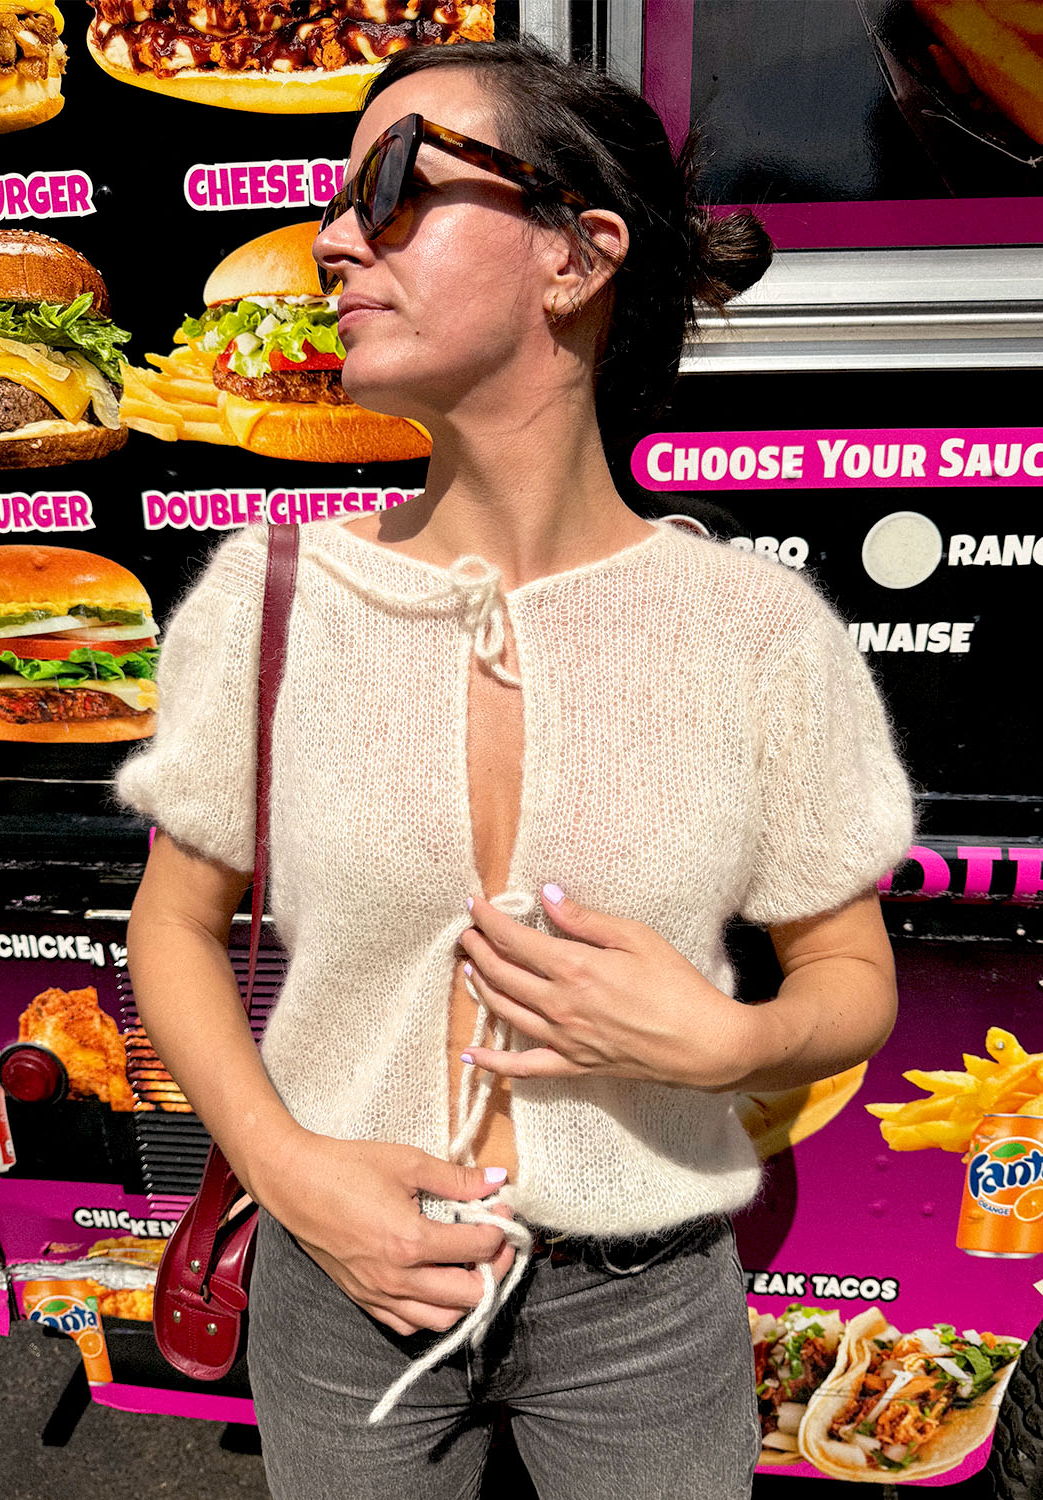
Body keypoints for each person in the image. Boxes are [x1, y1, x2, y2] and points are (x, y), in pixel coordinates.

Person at [117, 37, 914, 1500]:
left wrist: (728, 1046)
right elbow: (169, 927)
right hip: (341, 1288)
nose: (334, 239)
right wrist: (288, 1171)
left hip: (646, 1304)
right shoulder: (272, 599)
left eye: (395, 184)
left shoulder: (754, 632)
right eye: (334, 200)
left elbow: (851, 978)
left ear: (577, 254)